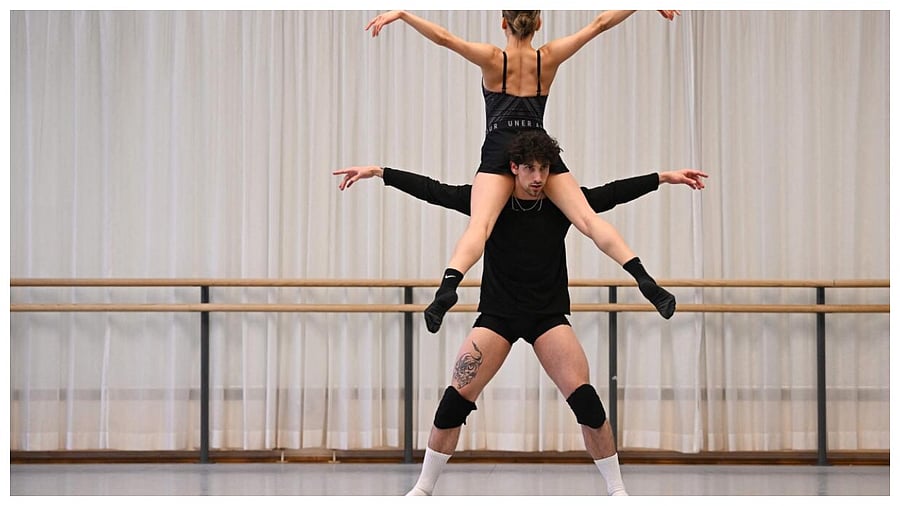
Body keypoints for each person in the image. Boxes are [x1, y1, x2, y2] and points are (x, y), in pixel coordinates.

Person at [333, 130, 707, 496]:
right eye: (530, 169)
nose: (538, 178)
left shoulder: (560, 204)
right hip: (498, 315)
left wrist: (663, 178)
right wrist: (380, 172)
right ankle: (422, 489)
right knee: (454, 401)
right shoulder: (488, 203)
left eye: (544, 169)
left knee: (587, 403)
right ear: (513, 167)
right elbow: (434, 191)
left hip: (548, 316)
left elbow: (611, 194)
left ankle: (617, 490)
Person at [365, 10, 681, 333]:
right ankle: (643, 278)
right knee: (588, 218)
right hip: (539, 147)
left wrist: (403, 14)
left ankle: (448, 287)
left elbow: (445, 39)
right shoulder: (548, 58)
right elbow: (599, 24)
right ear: (538, 23)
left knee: (481, 225)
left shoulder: (492, 59)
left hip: (499, 144)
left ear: (504, 22)